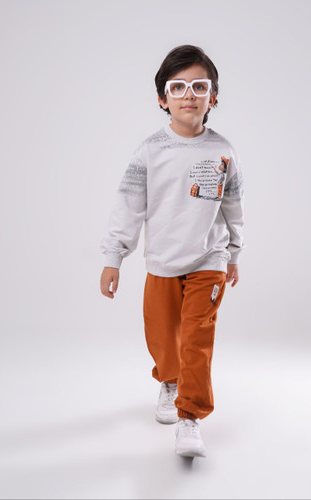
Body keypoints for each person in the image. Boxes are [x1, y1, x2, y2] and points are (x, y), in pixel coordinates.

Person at [100, 44, 245, 458]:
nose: (188, 95)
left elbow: (233, 205)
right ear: (163, 99)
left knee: (197, 338)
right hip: (162, 260)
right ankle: (169, 380)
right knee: (163, 338)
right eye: (177, 87)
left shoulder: (223, 151)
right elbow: (129, 206)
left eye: (200, 86)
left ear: (212, 97)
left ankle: (190, 418)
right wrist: (114, 258)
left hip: (209, 260)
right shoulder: (150, 151)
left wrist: (234, 253)